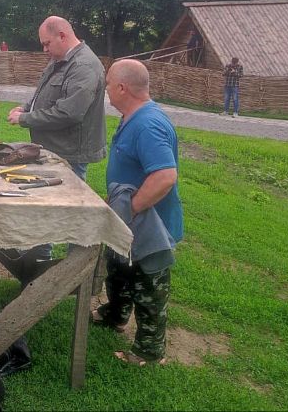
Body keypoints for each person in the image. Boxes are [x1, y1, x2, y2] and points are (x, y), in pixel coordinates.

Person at [93, 59, 183, 367]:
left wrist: (129, 209)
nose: (105, 89)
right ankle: (115, 315)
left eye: (108, 84)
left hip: (149, 224)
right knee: (119, 269)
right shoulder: (132, 116)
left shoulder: (147, 124)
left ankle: (148, 350)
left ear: (121, 88)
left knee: (148, 283)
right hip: (130, 218)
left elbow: (165, 176)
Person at [7, 15, 106, 181]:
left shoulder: (84, 66)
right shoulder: (61, 58)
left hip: (70, 155)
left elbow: (69, 113)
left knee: (67, 202)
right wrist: (26, 107)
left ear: (62, 36)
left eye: (47, 43)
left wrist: (24, 118)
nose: (45, 49)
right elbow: (44, 90)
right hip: (56, 150)